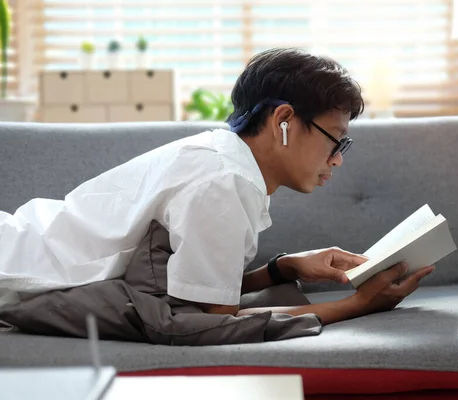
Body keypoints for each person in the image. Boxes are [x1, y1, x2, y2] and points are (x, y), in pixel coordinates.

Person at [0, 48, 434, 324]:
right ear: (283, 121)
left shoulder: (222, 159)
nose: (338, 157)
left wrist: (285, 268)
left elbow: (193, 290)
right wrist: (357, 306)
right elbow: (214, 322)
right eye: (334, 139)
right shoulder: (225, 180)